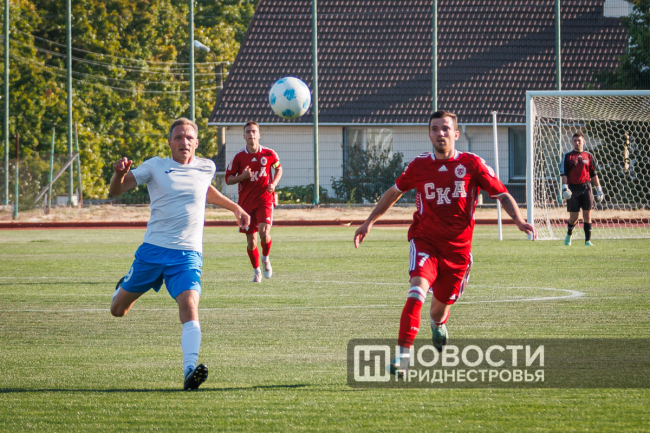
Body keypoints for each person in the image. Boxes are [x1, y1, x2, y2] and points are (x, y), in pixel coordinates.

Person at [354, 110, 537, 378]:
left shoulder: (472, 164)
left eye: (445, 128)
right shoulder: (419, 166)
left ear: (456, 134)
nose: (440, 133)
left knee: (438, 311)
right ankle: (403, 358)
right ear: (429, 135)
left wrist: (519, 220)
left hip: (458, 251)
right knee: (416, 292)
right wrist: (369, 221)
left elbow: (502, 194)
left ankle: (437, 324)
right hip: (425, 241)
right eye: (435, 129)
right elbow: (394, 192)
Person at [109, 117, 250, 391]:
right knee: (118, 311)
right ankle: (120, 290)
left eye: (189, 137)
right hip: (152, 252)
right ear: (170, 143)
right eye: (178, 137)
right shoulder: (155, 166)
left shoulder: (206, 167)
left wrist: (235, 208)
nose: (184, 142)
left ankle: (189, 370)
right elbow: (117, 190)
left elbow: (203, 190)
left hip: (187, 255)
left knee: (190, 305)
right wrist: (119, 174)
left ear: (196, 142)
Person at [225, 120, 283, 283]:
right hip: (246, 204)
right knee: (251, 241)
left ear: (259, 135)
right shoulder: (239, 157)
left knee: (264, 234)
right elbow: (228, 179)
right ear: (244, 136)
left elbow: (278, 168)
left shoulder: (269, 154)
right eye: (248, 132)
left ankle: (265, 258)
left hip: (265, 199)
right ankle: (257, 271)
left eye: (254, 131)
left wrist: (273, 184)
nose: (251, 134)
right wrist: (242, 177)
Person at [560, 131, 604, 246]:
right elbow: (564, 173)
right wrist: (564, 188)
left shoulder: (589, 156)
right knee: (574, 217)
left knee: (587, 214)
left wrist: (599, 189)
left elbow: (593, 174)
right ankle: (569, 235)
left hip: (586, 188)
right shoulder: (567, 156)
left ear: (583, 142)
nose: (577, 143)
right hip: (572, 189)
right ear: (572, 142)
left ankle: (587, 241)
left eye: (579, 141)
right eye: (575, 141)